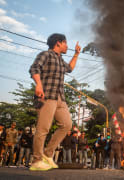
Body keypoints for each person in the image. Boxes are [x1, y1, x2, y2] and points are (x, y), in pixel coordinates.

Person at [28, 33, 81, 171]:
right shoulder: (45, 55)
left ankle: (47, 154)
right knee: (43, 128)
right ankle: (36, 160)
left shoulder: (59, 59)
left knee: (67, 124)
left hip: (60, 98)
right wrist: (38, 84)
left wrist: (76, 54)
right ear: (58, 43)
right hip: (46, 96)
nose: (67, 46)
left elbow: (69, 68)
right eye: (65, 43)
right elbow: (34, 68)